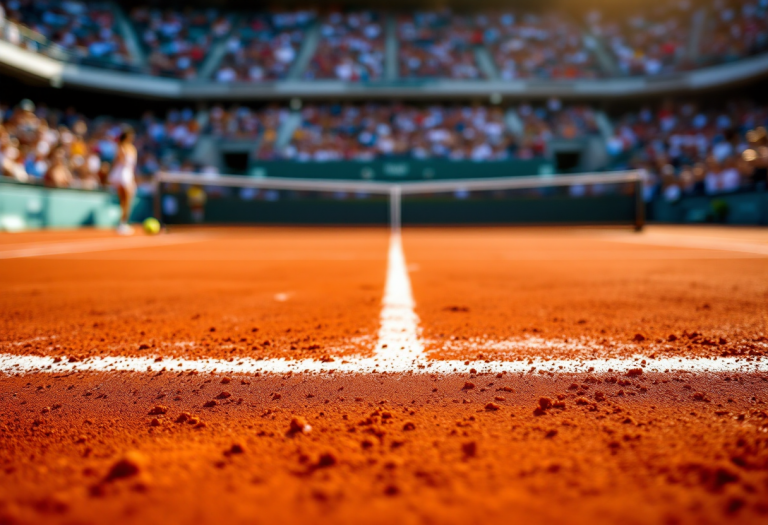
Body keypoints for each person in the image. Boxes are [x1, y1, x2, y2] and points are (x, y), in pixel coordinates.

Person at [109, 126, 137, 235]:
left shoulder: (132, 148)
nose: (132, 137)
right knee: (124, 200)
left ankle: (123, 223)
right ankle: (122, 223)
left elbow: (132, 165)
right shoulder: (121, 147)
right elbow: (117, 161)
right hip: (121, 174)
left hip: (127, 174)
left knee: (127, 200)